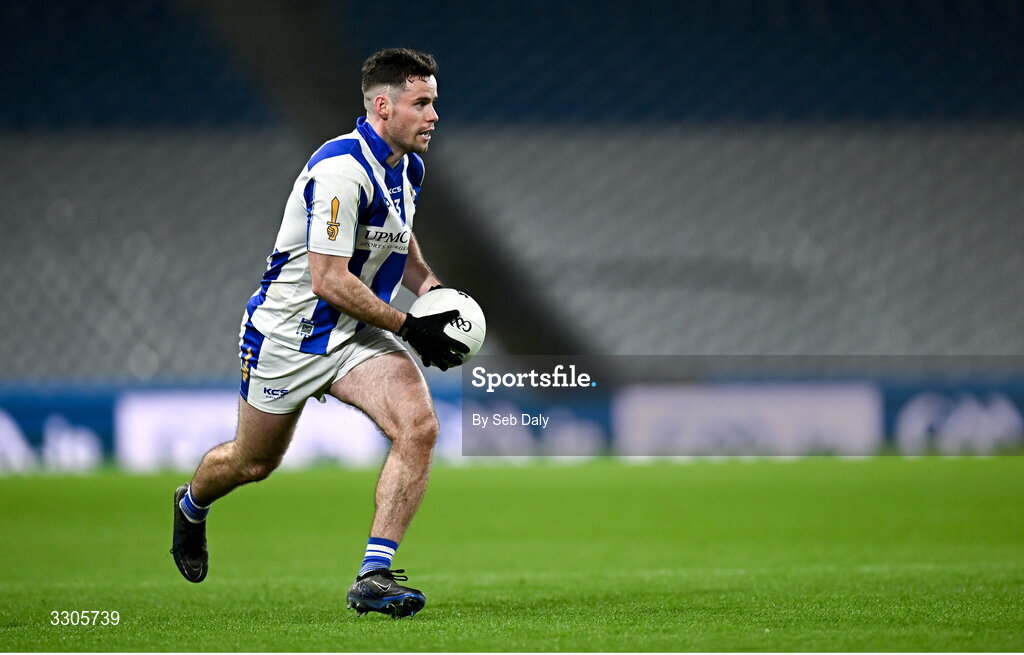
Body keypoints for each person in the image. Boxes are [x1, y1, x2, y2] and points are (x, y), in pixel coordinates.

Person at [170, 48, 468, 619]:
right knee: (251, 464)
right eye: (422, 103)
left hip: (358, 334)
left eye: (435, 102)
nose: (434, 116)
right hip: (288, 336)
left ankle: (373, 575)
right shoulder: (340, 172)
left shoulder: (408, 166)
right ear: (383, 106)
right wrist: (410, 326)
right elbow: (329, 280)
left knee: (419, 427)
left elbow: (395, 239)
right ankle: (191, 504)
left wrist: (431, 292)